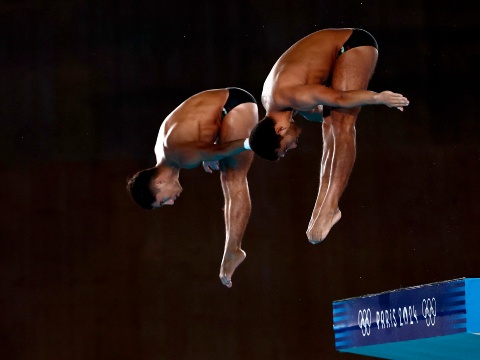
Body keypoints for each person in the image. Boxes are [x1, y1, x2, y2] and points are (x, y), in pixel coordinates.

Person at [248, 28, 410, 244]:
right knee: (330, 123)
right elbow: (321, 115)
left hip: (353, 45)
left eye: (286, 147)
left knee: (342, 122)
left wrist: (379, 97)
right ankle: (322, 207)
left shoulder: (292, 97)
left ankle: (331, 206)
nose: (294, 146)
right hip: (337, 53)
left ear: (279, 130)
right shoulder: (275, 103)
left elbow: (341, 98)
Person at [126, 87, 258, 288]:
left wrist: (252, 142)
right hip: (222, 108)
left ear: (159, 182)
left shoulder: (182, 157)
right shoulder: (163, 153)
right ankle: (232, 249)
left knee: (232, 176)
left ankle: (234, 249)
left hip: (234, 105)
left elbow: (220, 149)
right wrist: (210, 149)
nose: (171, 202)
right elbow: (193, 128)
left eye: (163, 200)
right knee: (222, 166)